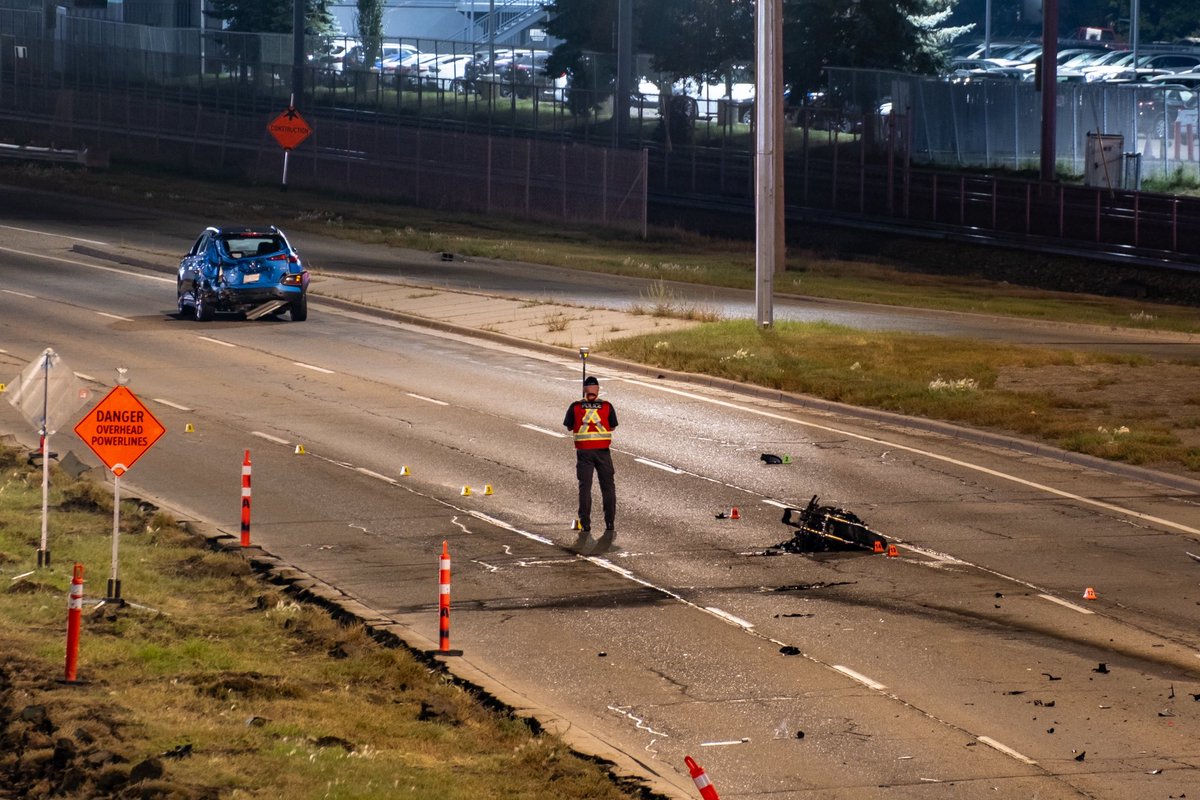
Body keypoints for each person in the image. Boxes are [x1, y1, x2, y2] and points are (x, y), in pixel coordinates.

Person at [563, 375, 618, 534]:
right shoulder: (607, 406)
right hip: (603, 453)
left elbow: (568, 426)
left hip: (584, 453)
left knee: (585, 487)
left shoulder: (576, 407)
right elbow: (613, 427)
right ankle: (609, 522)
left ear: (585, 391)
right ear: (598, 390)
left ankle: (585, 523)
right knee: (608, 487)